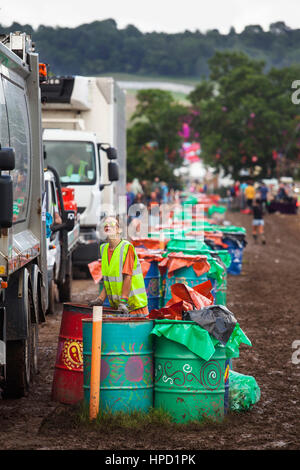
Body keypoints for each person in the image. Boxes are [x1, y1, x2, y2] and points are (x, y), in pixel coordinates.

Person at [88, 216, 149, 316]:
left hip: (135, 307)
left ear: (119, 229)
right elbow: (109, 281)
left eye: (111, 224)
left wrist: (123, 301)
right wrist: (100, 299)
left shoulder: (126, 247)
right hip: (120, 308)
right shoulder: (103, 249)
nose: (108, 226)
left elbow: (127, 276)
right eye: (105, 225)